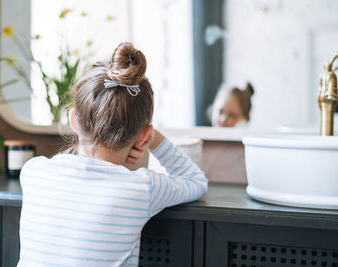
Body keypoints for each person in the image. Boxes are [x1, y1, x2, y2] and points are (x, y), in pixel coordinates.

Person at [17, 42, 208, 267]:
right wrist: (154, 139)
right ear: (143, 134)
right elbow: (196, 182)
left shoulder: (33, 171)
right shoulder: (142, 187)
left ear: (73, 120)